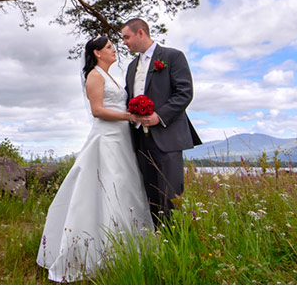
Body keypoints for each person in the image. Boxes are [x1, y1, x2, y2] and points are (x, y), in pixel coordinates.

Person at [36, 36, 154, 283]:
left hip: (122, 140)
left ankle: (126, 248)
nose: (115, 50)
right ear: (98, 53)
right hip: (106, 139)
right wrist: (129, 116)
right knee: (105, 187)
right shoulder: (94, 75)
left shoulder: (110, 76)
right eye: (110, 47)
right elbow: (97, 111)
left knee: (124, 189)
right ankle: (91, 253)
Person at [122, 17, 202, 226]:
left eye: (127, 37)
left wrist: (159, 116)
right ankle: (155, 241)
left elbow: (184, 93)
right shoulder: (131, 67)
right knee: (149, 195)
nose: (124, 43)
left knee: (170, 196)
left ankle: (174, 242)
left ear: (141, 33)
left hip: (168, 138)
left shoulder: (172, 57)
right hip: (140, 140)